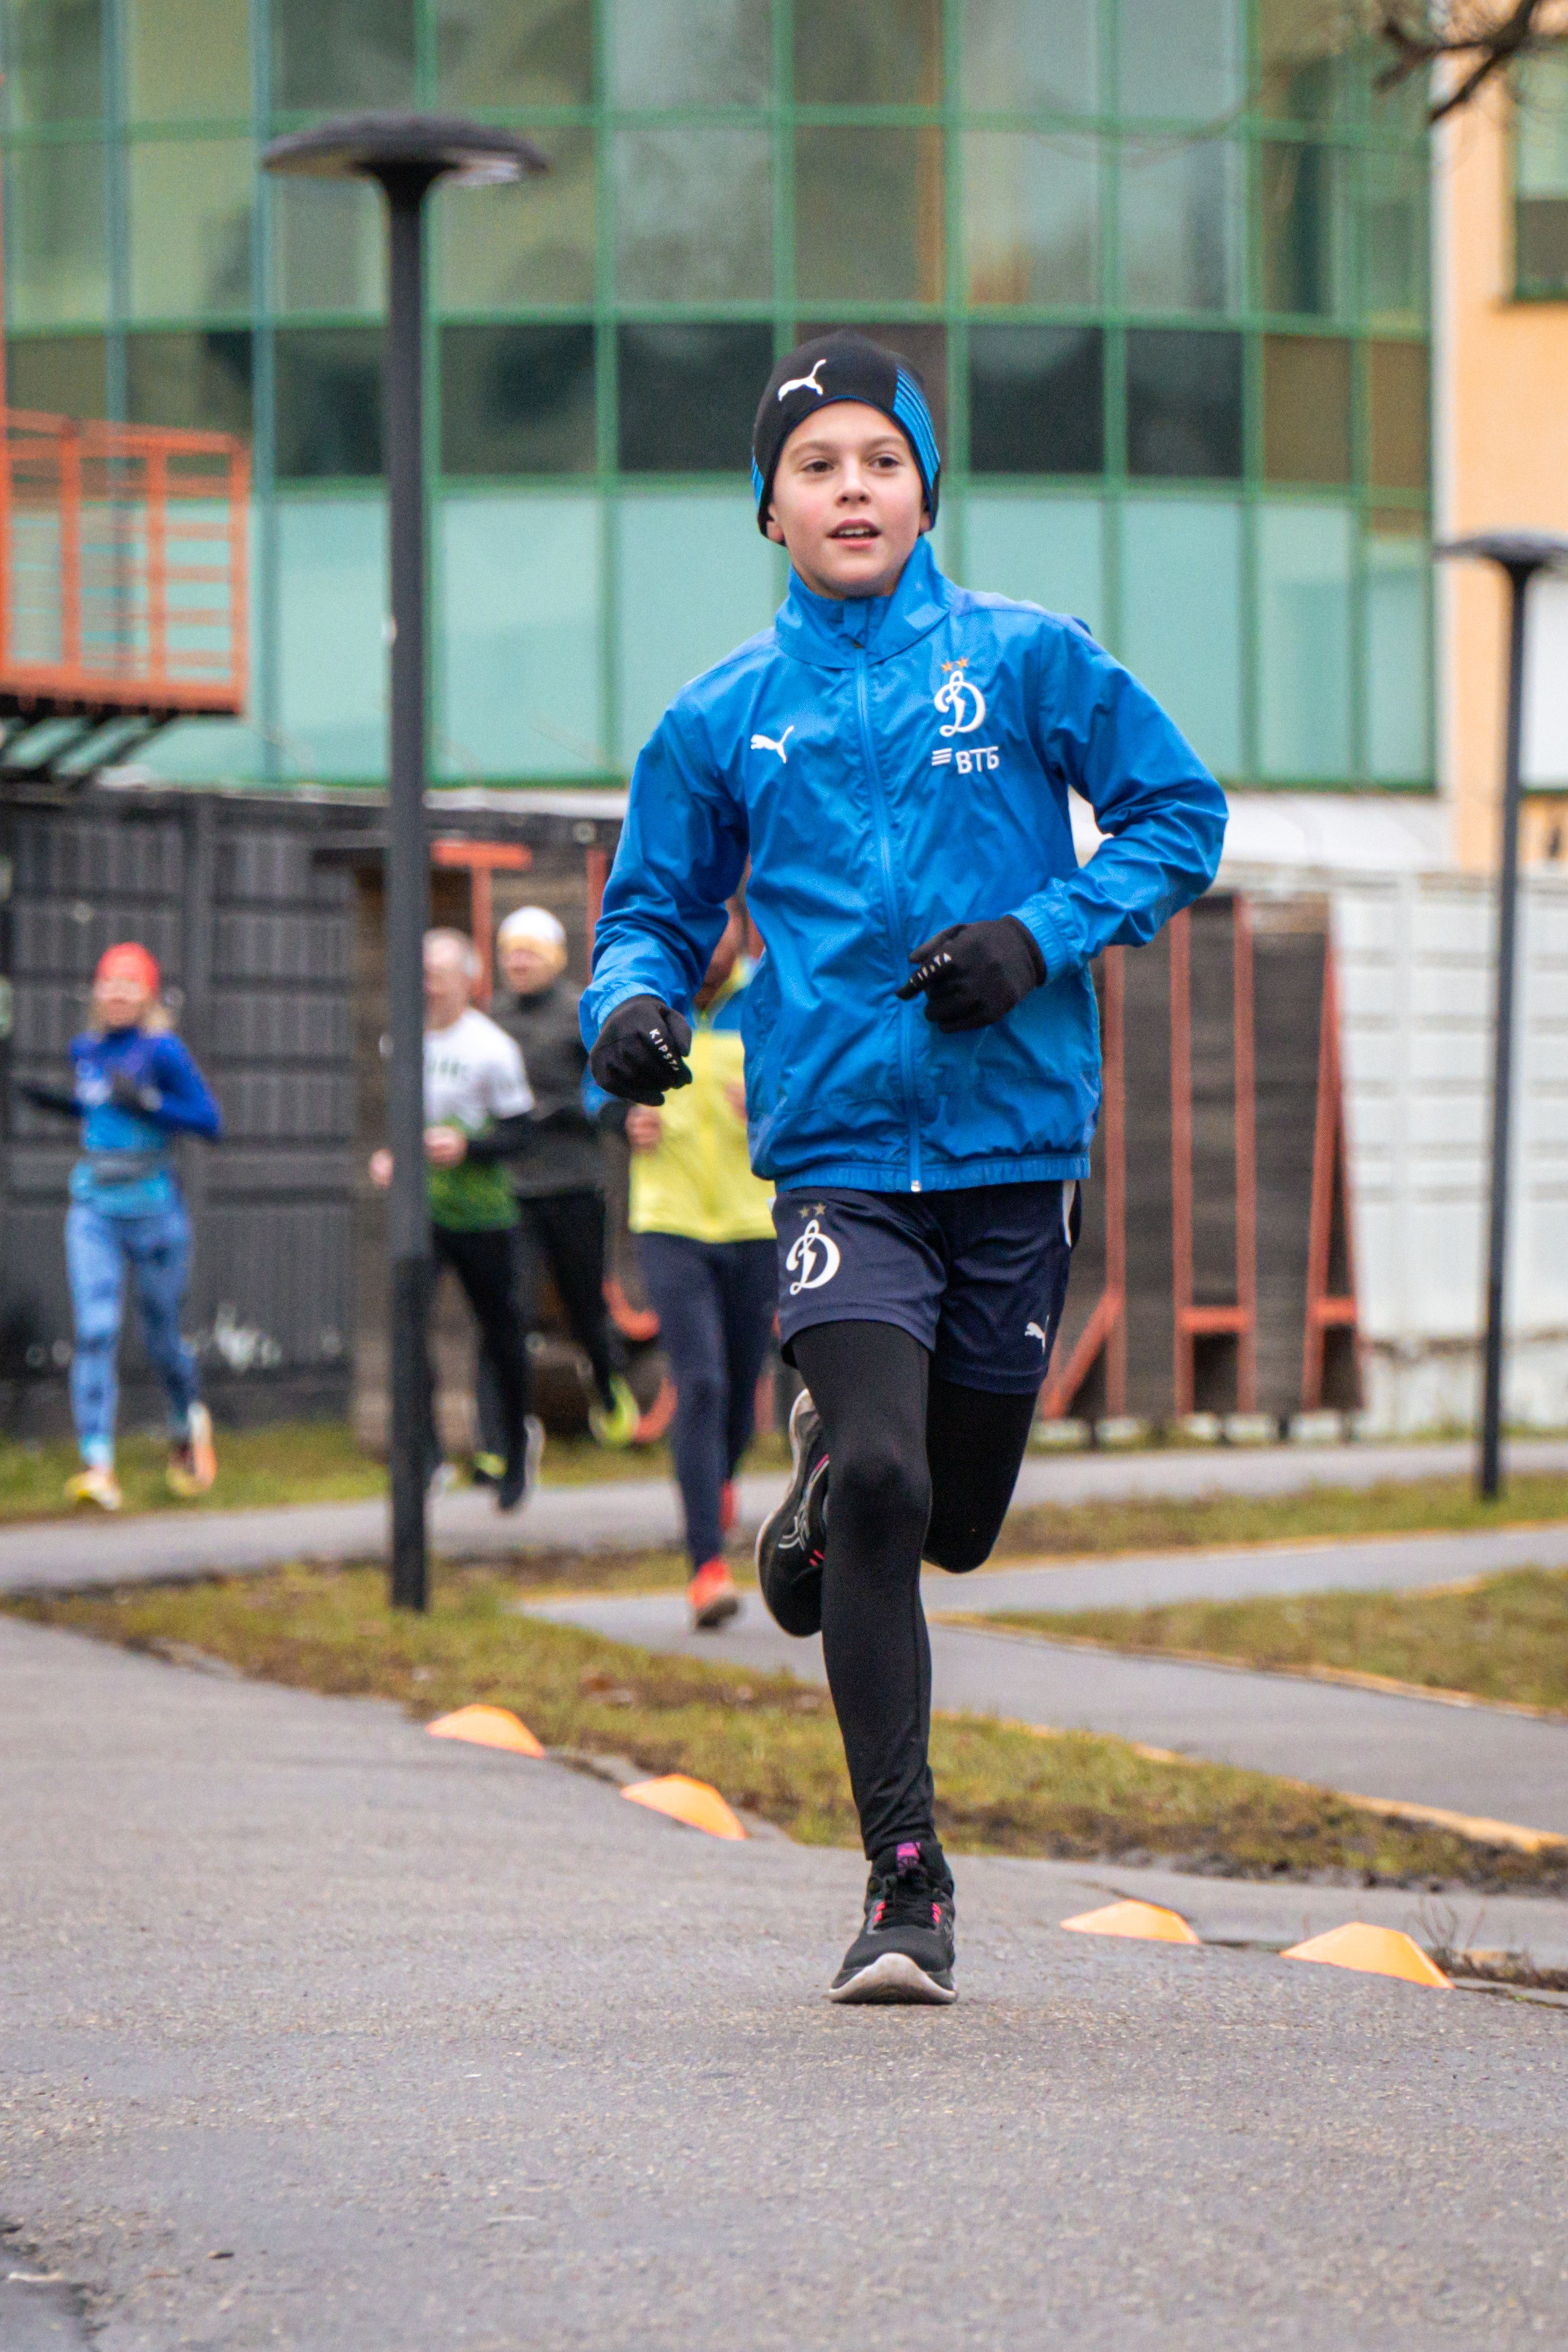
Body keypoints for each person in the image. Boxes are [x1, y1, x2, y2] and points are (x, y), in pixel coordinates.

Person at [583, 331, 1226, 2005]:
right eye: (816, 465)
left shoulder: (1027, 663)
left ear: (924, 487)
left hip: (1014, 1149)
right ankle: (905, 1875)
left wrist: (1042, 931)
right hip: (840, 1156)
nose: (850, 486)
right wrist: (630, 1003)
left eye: (880, 458)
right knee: (885, 1477)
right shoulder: (722, 715)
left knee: (957, 1516)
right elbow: (648, 908)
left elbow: (1178, 814)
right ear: (768, 506)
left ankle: (813, 1518)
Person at [15, 941, 222, 1511]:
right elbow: (96, 1110)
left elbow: (209, 1121)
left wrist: (150, 1102)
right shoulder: (86, 1049)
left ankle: (186, 1425)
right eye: (108, 983)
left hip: (155, 1213)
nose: (117, 993)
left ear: (148, 993)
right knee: (96, 1329)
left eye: (129, 984)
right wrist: (56, 1103)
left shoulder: (164, 1052)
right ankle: (97, 1463)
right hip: (94, 1210)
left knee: (160, 1338)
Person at [617, 907, 776, 1632]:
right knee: (701, 1381)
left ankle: (723, 1479)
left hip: (754, 1221)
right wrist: (623, 1116)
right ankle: (705, 1567)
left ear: (742, 935)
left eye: (725, 931)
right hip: (671, 1221)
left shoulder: (772, 993)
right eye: (702, 931)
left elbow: (819, 1077)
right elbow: (600, 1084)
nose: (714, 946)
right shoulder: (657, 997)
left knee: (743, 1390)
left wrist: (774, 1105)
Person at [370, 929, 540, 1511]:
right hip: (423, 1214)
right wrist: (392, 1154)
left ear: (467, 979)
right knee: (409, 1330)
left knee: (501, 1333)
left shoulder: (491, 1047)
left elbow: (522, 1133)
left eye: (439, 970)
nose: (428, 981)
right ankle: (425, 1455)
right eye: (421, 969)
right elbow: (401, 1118)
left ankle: (514, 1453)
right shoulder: (401, 1038)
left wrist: (469, 1147)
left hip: (483, 1215)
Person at [476, 905, 639, 1473]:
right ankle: (500, 1440)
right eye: (510, 953)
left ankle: (609, 1383)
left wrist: (563, 1112)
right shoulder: (491, 1018)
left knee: (584, 1306)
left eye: (529, 953)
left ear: (552, 960)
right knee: (508, 1313)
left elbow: (607, 1096)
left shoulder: (579, 1014)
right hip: (510, 1190)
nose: (518, 962)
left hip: (572, 1184)